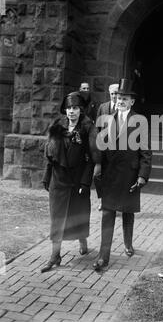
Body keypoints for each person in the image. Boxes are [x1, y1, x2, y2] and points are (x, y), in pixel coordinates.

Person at [93, 78, 152, 272]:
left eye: (125, 98)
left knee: (128, 211)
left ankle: (128, 243)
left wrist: (142, 176)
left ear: (132, 102)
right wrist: (98, 165)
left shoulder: (140, 121)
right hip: (110, 175)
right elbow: (100, 145)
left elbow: (146, 152)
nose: (120, 101)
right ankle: (103, 256)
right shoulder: (107, 119)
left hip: (130, 174)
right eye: (119, 97)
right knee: (108, 213)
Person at [41, 91, 97, 273]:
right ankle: (55, 256)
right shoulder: (57, 126)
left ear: (80, 110)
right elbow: (50, 155)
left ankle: (82, 240)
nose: (71, 112)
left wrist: (85, 183)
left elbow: (91, 158)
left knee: (78, 215)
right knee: (57, 219)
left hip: (77, 181)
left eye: (75, 108)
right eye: (69, 108)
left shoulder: (88, 127)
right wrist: (46, 176)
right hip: (58, 180)